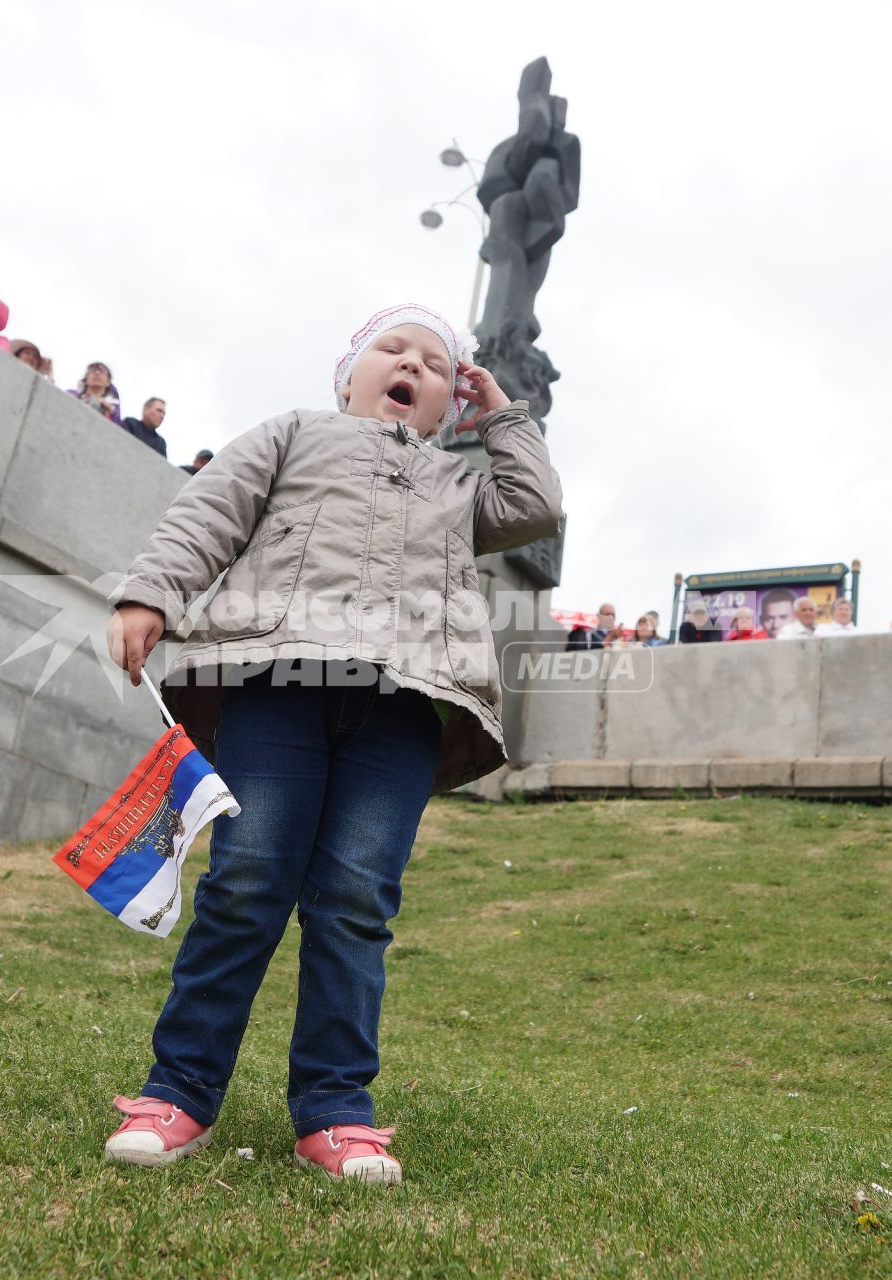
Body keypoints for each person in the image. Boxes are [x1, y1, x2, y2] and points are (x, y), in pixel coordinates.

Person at [101, 303, 562, 1183]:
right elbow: (210, 511)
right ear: (349, 374)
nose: (413, 366)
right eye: (393, 350)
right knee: (244, 883)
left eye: (436, 365)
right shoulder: (294, 434)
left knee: (356, 901)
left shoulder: (462, 487)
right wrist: (151, 592)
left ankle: (335, 1110)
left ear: (445, 406)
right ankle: (180, 1090)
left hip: (402, 708)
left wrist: (499, 412)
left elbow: (536, 505)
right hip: (280, 683)